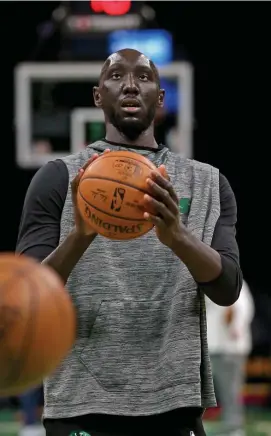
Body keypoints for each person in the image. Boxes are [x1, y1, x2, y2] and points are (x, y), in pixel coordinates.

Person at [16, 48, 243, 436]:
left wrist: (178, 238)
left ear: (160, 97)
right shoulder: (56, 179)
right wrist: (79, 236)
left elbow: (227, 288)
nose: (131, 85)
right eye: (117, 76)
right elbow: (27, 298)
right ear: (98, 96)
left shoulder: (207, 183)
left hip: (174, 404)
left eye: (143, 76)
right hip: (81, 403)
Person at [206, 280, 254, 436]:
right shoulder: (206, 282)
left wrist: (236, 326)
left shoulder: (234, 281)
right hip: (212, 347)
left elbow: (243, 308)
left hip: (230, 348)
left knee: (231, 391)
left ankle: (234, 429)